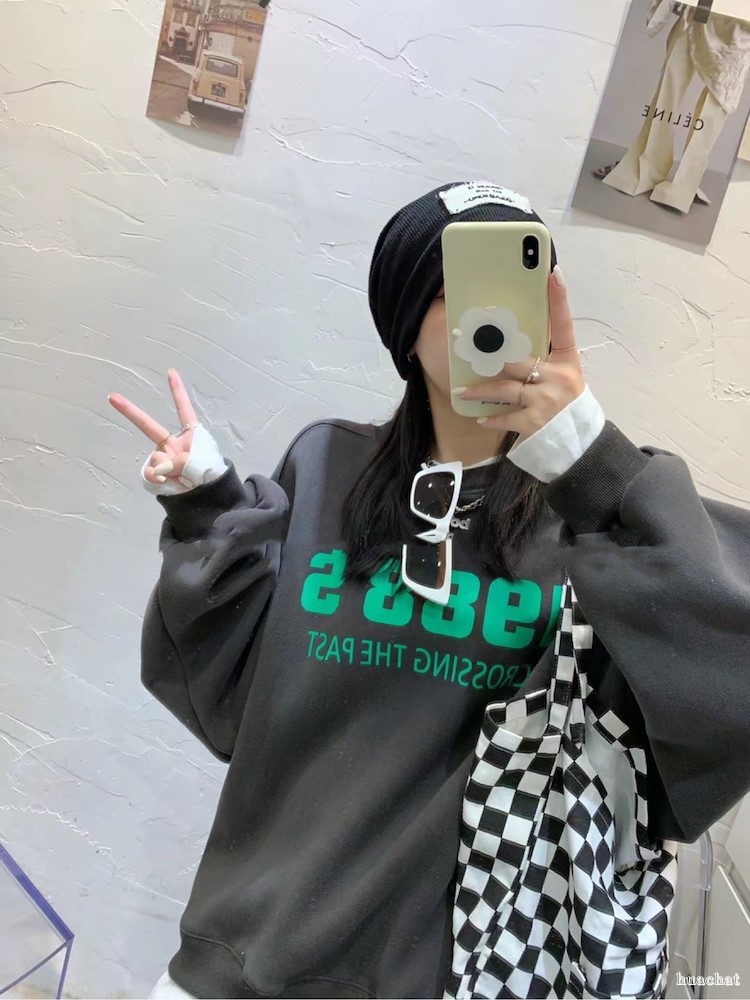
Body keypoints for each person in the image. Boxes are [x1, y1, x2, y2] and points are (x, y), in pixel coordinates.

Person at [108, 182, 750, 1000]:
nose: (497, 313)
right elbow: (232, 706)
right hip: (238, 966)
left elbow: (725, 696)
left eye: (522, 281)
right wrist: (208, 510)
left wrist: (590, 460)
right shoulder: (328, 467)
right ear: (406, 326)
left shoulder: (600, 522)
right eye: (458, 287)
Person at [597, 1, 750, 213]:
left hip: (741, 22)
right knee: (670, 86)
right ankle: (646, 167)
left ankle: (684, 184)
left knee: (716, 103)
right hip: (702, 9)